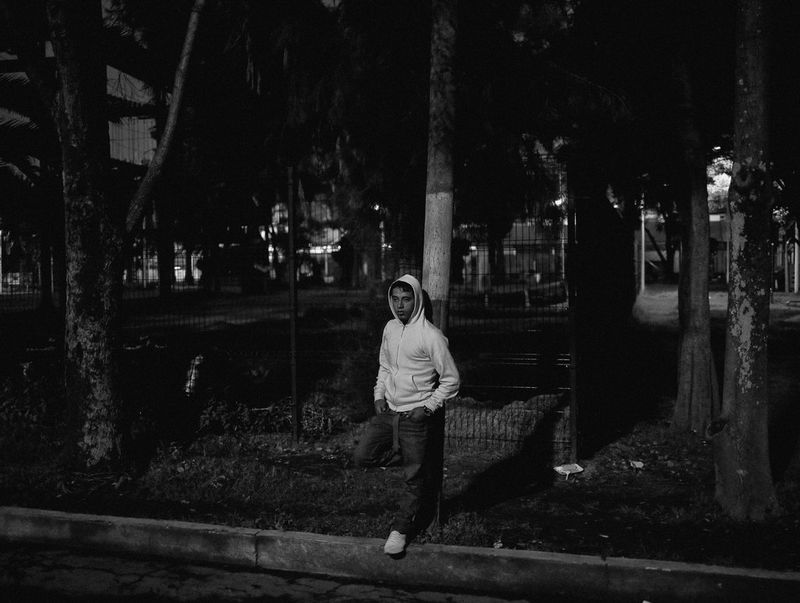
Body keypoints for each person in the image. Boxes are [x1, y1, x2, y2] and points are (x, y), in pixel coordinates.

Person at [353, 274, 460, 555]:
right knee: (362, 456)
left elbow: (452, 380)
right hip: (389, 413)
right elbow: (385, 366)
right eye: (395, 299)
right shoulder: (390, 328)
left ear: (417, 300)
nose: (400, 305)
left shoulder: (431, 336)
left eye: (406, 299)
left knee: (414, 481)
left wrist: (427, 408)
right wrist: (378, 395)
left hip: (415, 417)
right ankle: (407, 455)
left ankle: (400, 530)